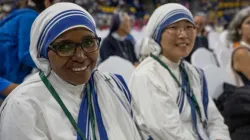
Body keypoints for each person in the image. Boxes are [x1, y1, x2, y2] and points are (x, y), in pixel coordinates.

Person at [0, 3, 141, 140]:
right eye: (65, 46)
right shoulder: (24, 106)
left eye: (88, 42)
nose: (80, 56)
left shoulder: (114, 87)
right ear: (43, 54)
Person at [129, 3, 230, 140]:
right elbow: (170, 134)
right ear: (157, 34)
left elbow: (214, 120)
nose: (183, 35)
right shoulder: (147, 75)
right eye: (173, 27)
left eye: (189, 27)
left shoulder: (193, 73)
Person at [0, 0, 38, 84]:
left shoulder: (12, 17)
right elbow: (25, 55)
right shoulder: (28, 17)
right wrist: (51, 65)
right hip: (10, 82)